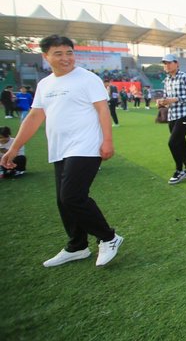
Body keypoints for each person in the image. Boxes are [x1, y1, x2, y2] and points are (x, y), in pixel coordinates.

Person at [0, 35, 123, 267]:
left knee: (72, 196)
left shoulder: (88, 79)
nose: (66, 58)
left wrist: (108, 141)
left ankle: (109, 237)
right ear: (46, 57)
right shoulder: (45, 84)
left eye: (69, 53)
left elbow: (103, 110)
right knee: (62, 200)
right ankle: (77, 246)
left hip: (86, 146)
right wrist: (13, 148)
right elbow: (35, 116)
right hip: (59, 148)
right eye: (58, 53)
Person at [158, 54, 186, 184]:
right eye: (165, 63)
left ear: (177, 63)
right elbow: (166, 97)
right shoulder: (166, 80)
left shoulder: (184, 76)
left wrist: (175, 99)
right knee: (181, 142)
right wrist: (162, 102)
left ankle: (179, 170)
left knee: (173, 142)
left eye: (169, 63)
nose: (167, 65)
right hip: (172, 115)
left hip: (185, 113)